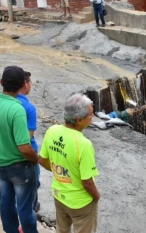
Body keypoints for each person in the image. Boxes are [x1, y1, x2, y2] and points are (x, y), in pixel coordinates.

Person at [0, 66, 39, 233]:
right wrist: (36, 159)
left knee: (6, 202)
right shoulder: (17, 109)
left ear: (1, 82)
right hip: (20, 167)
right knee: (25, 208)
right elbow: (24, 147)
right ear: (22, 85)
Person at [39, 93, 100, 233]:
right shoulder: (84, 144)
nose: (93, 116)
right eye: (91, 114)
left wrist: (59, 172)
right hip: (80, 203)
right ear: (79, 120)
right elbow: (87, 182)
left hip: (59, 195)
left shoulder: (52, 131)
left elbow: (42, 160)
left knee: (62, 229)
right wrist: (96, 196)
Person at [0, 71, 41, 212]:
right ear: (25, 84)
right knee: (32, 184)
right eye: (30, 82)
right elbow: (28, 138)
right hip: (23, 156)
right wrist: (35, 159)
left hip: (1, 154)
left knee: (4, 183)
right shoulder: (27, 108)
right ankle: (33, 206)